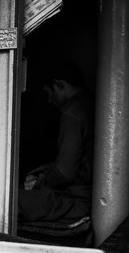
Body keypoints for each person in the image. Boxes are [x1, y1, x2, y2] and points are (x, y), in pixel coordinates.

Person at [19, 58, 94, 223]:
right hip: (86, 194)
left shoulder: (72, 114)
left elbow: (64, 173)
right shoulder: (89, 102)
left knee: (7, 199)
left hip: (76, 201)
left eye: (49, 92)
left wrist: (39, 183)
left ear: (59, 85)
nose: (49, 100)